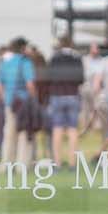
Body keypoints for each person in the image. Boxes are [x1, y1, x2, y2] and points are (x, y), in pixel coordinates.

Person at [0, 36, 36, 165]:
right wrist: (33, 99)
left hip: (9, 102)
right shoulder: (26, 62)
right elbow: (30, 84)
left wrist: (3, 96)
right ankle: (21, 165)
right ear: (23, 48)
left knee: (8, 134)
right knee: (24, 134)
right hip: (23, 103)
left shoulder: (5, 62)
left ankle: (6, 163)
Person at [47, 37, 84, 168]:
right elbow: (81, 78)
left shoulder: (54, 58)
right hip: (72, 94)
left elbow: (49, 77)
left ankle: (57, 163)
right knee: (72, 130)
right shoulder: (77, 58)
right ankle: (72, 163)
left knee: (57, 129)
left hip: (57, 95)